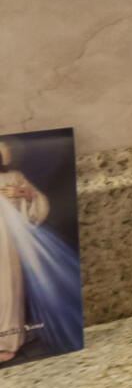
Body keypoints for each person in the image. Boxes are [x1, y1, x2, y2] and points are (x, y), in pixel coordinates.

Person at [0, 140, 82, 362]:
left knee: (9, 289)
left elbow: (38, 200)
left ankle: (7, 343)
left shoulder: (14, 176)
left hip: (8, 240)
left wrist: (22, 193)